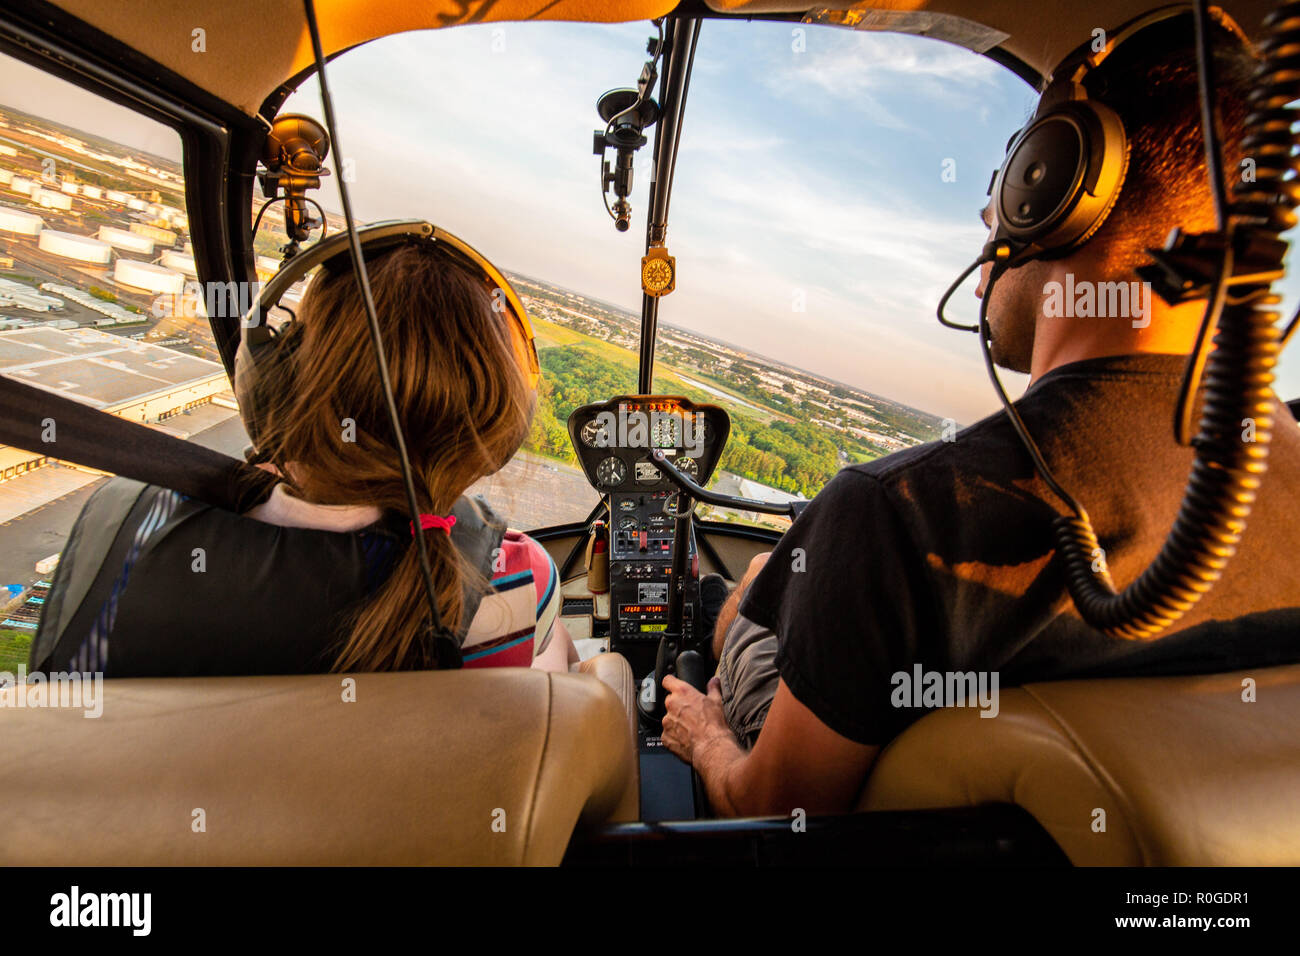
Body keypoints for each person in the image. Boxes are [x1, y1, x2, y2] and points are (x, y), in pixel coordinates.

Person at [660, 12, 1300, 816]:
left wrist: (708, 734)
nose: (987, 217)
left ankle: (727, 612)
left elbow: (779, 813)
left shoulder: (899, 511)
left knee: (753, 590)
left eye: (1007, 175)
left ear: (1055, 183)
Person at [32, 237, 578, 676]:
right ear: (493, 430)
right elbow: (545, 708)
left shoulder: (127, 522)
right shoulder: (517, 579)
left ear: (276, 379)